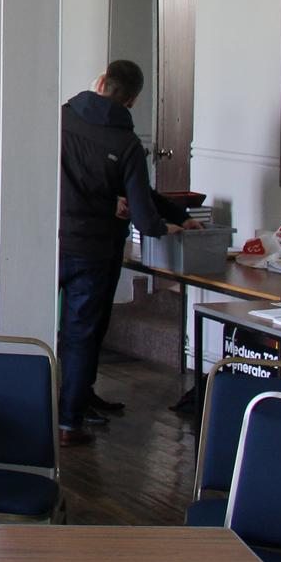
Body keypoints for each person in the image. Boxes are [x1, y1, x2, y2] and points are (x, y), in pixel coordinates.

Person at [58, 59, 198, 445]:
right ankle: (69, 421)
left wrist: (174, 215)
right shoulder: (127, 143)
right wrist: (169, 223)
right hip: (95, 249)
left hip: (52, 240)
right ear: (133, 101)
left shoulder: (63, 118)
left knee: (69, 329)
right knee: (85, 330)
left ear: (101, 82)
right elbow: (142, 203)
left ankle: (78, 400)